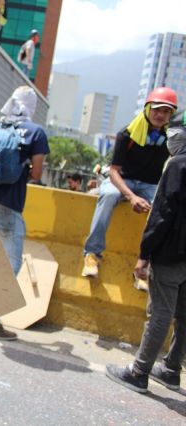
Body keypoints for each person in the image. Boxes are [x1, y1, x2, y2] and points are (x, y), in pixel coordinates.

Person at [105, 111, 186, 394]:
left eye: (175, 132)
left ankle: (139, 372)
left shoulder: (177, 165)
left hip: (172, 252)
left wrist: (144, 254)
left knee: (160, 312)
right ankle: (172, 369)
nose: (171, 137)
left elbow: (161, 214)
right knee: (183, 313)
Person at [0, 86, 50, 340]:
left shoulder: (0, 126)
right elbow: (38, 173)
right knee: (11, 263)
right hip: (9, 205)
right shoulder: (35, 132)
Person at [81, 87, 178, 281]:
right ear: (148, 109)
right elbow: (114, 171)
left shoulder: (172, 139)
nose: (160, 115)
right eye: (156, 109)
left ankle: (144, 264)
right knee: (108, 196)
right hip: (122, 181)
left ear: (171, 115)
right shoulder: (127, 134)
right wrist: (131, 197)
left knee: (163, 211)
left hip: (150, 186)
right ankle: (92, 254)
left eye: (166, 111)